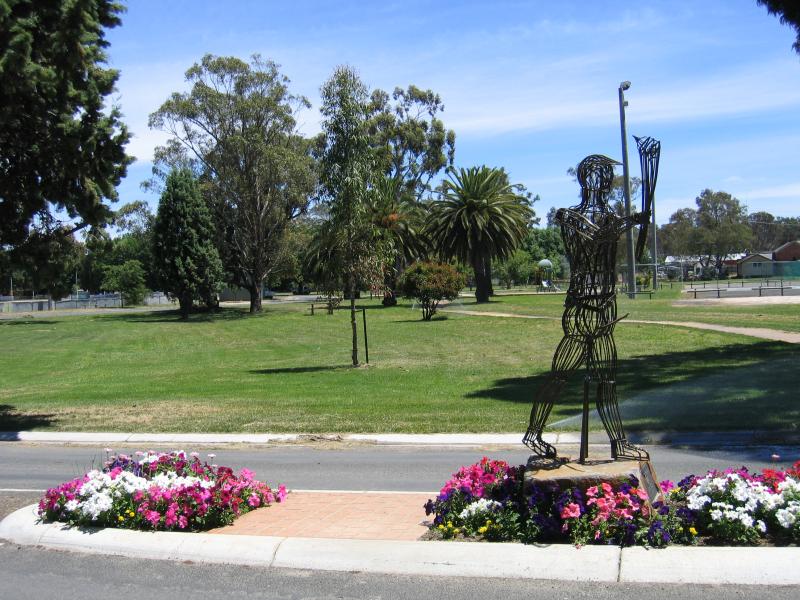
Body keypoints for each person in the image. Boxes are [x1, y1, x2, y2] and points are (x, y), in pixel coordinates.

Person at [523, 151, 656, 461]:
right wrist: (629, 221)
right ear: (589, 179)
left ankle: (618, 443)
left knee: (607, 381)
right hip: (582, 311)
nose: (607, 183)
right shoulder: (569, 216)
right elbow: (595, 237)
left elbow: (615, 236)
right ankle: (534, 433)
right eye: (603, 176)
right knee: (560, 376)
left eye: (608, 177)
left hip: (605, 309)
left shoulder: (611, 218)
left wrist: (634, 223)